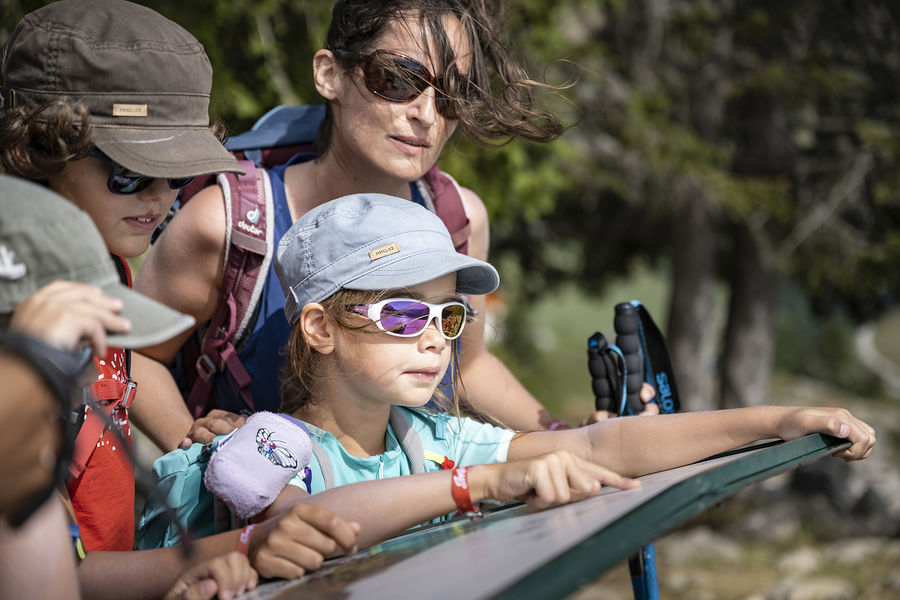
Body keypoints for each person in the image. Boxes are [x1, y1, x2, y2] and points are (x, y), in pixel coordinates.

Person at [197, 193, 876, 551]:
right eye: (403, 314)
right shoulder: (262, 447)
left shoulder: (436, 438)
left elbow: (599, 444)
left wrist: (779, 421)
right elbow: (311, 523)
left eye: (448, 315)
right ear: (319, 328)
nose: (434, 338)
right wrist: (477, 484)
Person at [134, 0, 653, 454]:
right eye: (398, 80)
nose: (427, 114)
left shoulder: (457, 219)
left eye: (452, 95)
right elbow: (133, 352)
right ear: (329, 75)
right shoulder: (232, 224)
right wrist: (204, 454)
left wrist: (570, 438)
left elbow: (469, 366)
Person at [0, 175, 359, 599]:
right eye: (64, 353)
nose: (89, 374)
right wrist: (246, 544)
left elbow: (66, 570)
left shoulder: (27, 472)